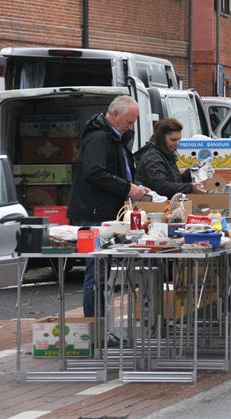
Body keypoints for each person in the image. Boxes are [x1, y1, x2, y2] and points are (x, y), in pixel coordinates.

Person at [68, 95, 150, 320]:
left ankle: (101, 326)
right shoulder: (99, 138)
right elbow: (95, 172)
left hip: (103, 212)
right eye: (129, 121)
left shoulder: (115, 138)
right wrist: (127, 188)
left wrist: (134, 185)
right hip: (93, 212)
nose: (130, 126)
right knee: (97, 274)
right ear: (114, 115)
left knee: (102, 274)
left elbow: (119, 169)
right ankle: (95, 327)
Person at [135, 118, 206, 198]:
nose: (177, 143)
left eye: (179, 140)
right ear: (161, 138)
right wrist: (190, 187)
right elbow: (161, 187)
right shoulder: (153, 158)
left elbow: (175, 181)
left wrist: (191, 172)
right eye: (173, 140)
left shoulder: (166, 154)